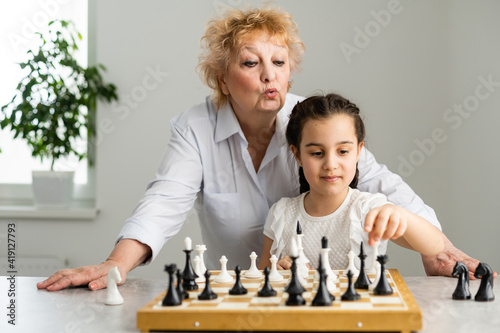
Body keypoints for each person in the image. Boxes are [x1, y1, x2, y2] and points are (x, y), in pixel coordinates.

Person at [37, 5, 490, 292]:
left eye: (280, 63)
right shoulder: (195, 127)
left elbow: (377, 180)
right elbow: (163, 203)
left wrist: (439, 248)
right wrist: (115, 265)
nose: (269, 75)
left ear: (291, 74)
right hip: (237, 291)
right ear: (222, 77)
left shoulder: (311, 124)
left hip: (316, 293)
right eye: (251, 63)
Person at [258, 94, 444, 270]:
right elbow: (262, 277)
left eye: (343, 151)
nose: (330, 165)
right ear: (297, 154)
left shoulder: (369, 209)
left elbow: (435, 246)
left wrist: (401, 215)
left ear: (358, 152)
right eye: (317, 153)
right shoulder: (281, 213)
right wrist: (278, 270)